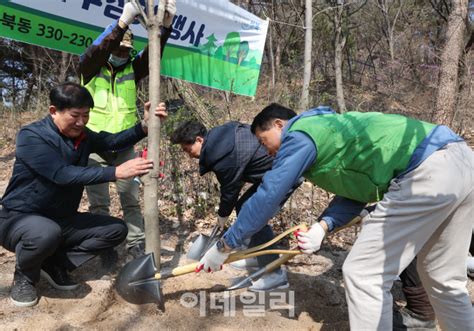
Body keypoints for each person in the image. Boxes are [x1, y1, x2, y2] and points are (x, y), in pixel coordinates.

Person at [196, 103, 474, 330]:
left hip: (426, 169)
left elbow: (269, 193)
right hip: (461, 161)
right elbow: (360, 189)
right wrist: (324, 225)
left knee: (364, 274)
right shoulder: (333, 132)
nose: (266, 150)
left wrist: (225, 245)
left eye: (263, 140)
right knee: (442, 278)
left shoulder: (301, 132)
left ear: (280, 124)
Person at [0, 82, 167, 307]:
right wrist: (115, 172)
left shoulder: (82, 136)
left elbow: (111, 142)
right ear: (53, 111)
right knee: (44, 233)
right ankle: (25, 276)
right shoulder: (31, 136)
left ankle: (54, 264)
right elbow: (61, 174)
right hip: (19, 219)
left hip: (62, 218)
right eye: (75, 115)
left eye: (86, 115)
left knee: (115, 230)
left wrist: (143, 126)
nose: (81, 122)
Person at [79, 1, 176, 259]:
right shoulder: (90, 70)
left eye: (126, 52)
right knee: (99, 202)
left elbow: (153, 54)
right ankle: (103, 245)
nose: (121, 54)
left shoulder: (132, 70)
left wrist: (165, 28)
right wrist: (122, 24)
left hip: (124, 147)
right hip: (95, 148)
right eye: (118, 50)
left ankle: (135, 243)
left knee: (130, 199)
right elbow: (97, 52)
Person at [171, 120, 301, 291]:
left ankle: (274, 275)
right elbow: (235, 182)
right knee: (244, 207)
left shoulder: (221, 155)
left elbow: (230, 189)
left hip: (286, 172)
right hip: (275, 170)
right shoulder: (221, 137)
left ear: (199, 140)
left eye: (188, 150)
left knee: (254, 212)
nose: (189, 155)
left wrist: (222, 216)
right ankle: (257, 255)